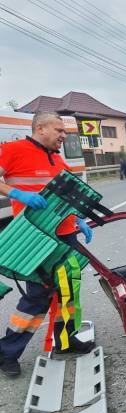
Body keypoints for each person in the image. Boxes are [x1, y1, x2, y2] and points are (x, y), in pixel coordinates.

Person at [0, 112, 95, 377]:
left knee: (68, 291)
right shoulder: (12, 150)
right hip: (37, 239)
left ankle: (66, 341)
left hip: (66, 235)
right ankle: (7, 352)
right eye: (58, 130)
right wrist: (17, 193)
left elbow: (66, 196)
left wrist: (77, 220)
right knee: (38, 296)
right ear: (40, 128)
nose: (63, 136)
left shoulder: (56, 158)